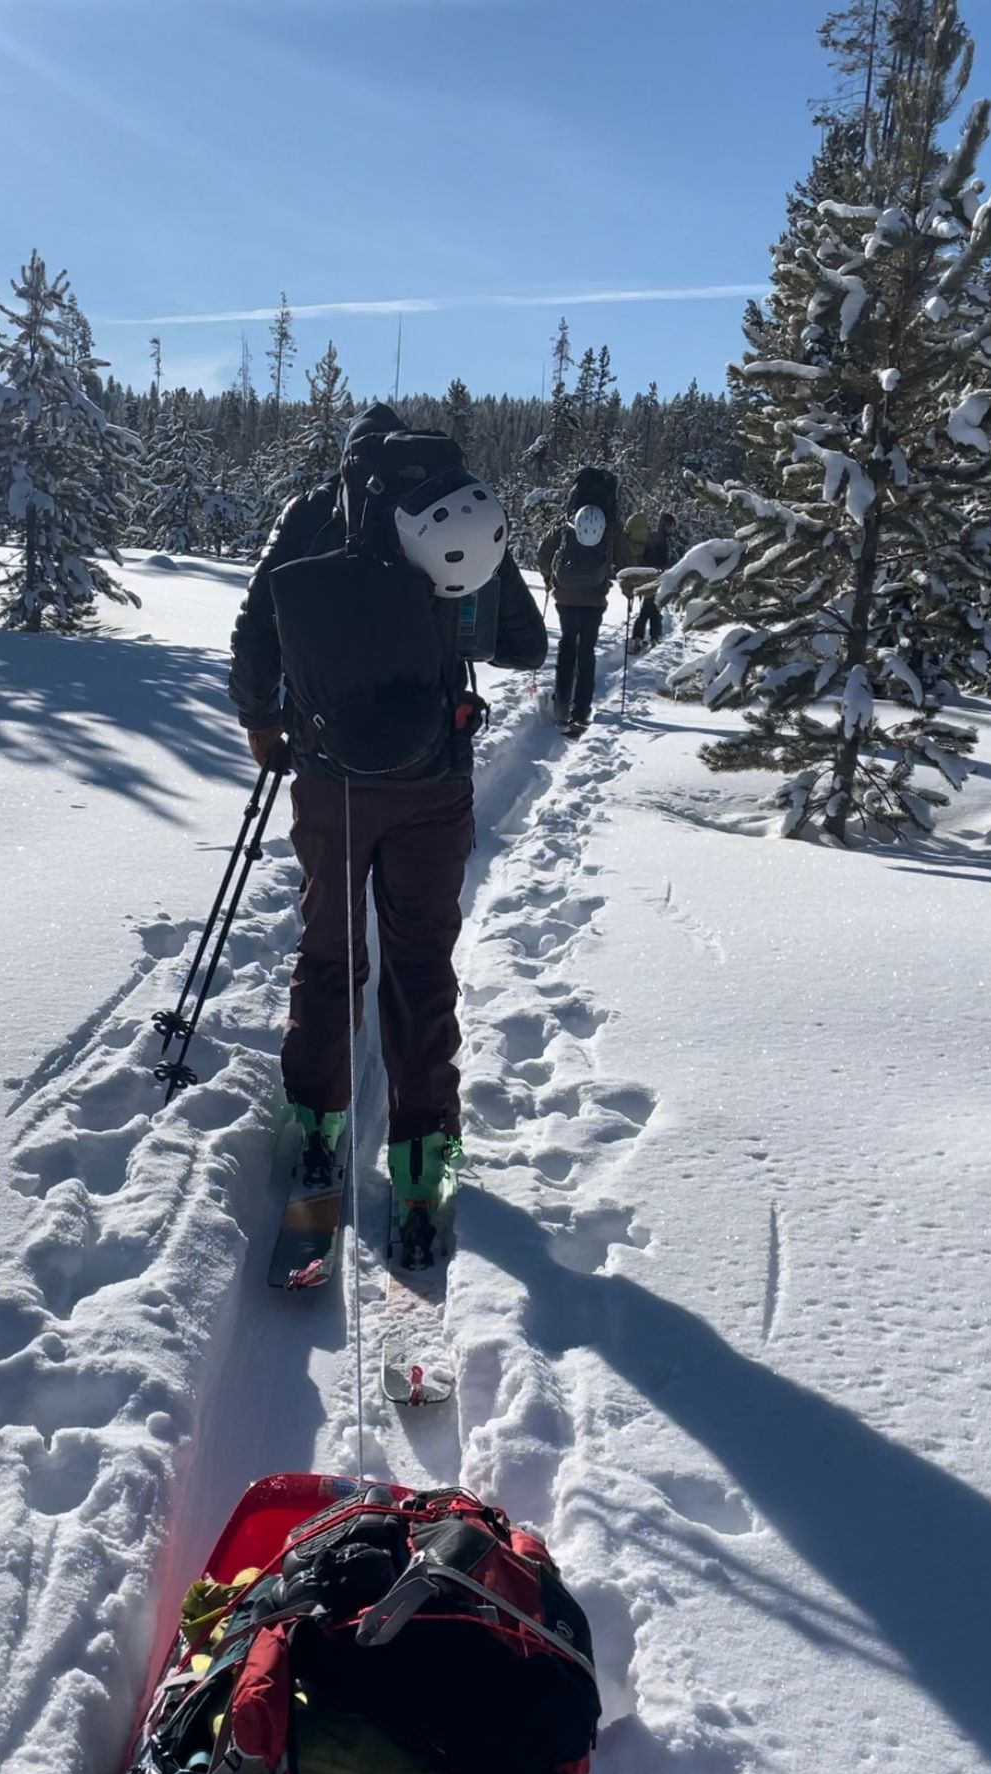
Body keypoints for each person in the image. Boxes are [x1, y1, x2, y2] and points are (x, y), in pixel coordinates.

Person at [229, 403, 546, 1251]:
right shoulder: (463, 510)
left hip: (328, 781)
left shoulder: (308, 516)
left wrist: (264, 724)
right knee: (417, 962)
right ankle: (420, 1153)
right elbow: (525, 647)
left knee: (329, 951)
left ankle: (316, 1128)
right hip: (432, 782)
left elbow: (256, 630)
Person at [536, 468, 628, 730]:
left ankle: (561, 705)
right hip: (595, 597)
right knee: (586, 652)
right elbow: (625, 560)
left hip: (565, 594)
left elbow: (544, 552)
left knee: (567, 647)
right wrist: (631, 587)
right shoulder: (611, 524)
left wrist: (547, 578)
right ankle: (581, 712)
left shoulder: (569, 519)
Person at [631, 511, 677, 648]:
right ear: (665, 525)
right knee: (653, 609)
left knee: (648, 609)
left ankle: (643, 637)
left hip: (647, 578)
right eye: (671, 525)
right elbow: (655, 561)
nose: (673, 528)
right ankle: (652, 637)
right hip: (652, 578)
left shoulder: (655, 537)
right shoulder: (659, 540)